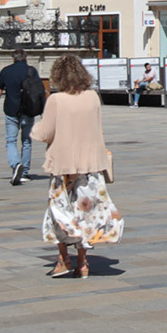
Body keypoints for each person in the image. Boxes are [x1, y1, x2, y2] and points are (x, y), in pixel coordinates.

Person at [33, 55, 123, 278]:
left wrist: (33, 129)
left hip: (65, 168)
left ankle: (63, 258)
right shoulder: (93, 97)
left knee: (60, 215)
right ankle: (82, 262)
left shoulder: (57, 100)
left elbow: (44, 133)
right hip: (91, 167)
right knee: (85, 215)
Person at [0, 47, 41, 185]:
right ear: (26, 58)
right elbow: (39, 90)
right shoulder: (32, 71)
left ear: (13, 58)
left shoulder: (6, 71)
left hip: (11, 110)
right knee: (26, 141)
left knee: (11, 141)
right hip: (28, 110)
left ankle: (15, 165)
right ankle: (24, 172)